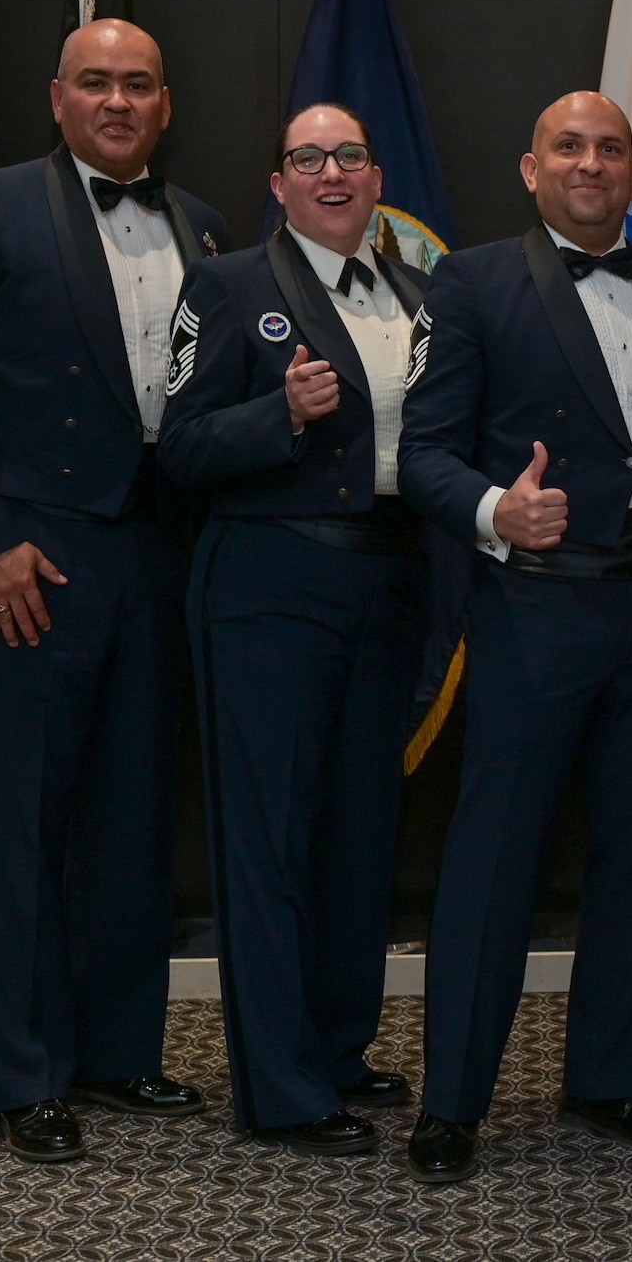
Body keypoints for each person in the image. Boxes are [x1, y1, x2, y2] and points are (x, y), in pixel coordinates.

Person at [396, 91, 632, 1182]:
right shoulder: (475, 280)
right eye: (569, 147)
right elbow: (429, 451)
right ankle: (451, 1104)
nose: (590, 163)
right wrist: (497, 511)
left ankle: (614, 1079)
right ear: (530, 169)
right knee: (493, 862)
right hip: (532, 605)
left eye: (610, 149)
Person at [0, 19, 229, 1164]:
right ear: (57, 96)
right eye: (96, 82)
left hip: (157, 556)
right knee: (24, 820)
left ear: (165, 105)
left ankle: (118, 1052)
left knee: (132, 818)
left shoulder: (203, 227)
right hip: (32, 560)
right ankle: (21, 1069)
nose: (118, 100)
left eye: (137, 84)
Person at [158, 103, 430, 1155]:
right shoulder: (226, 286)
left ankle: (337, 1046)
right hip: (269, 581)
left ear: (374, 177)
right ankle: (279, 1087)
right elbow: (179, 447)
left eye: (350, 156)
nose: (331, 171)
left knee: (360, 832)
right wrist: (281, 415)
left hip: (387, 581)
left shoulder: (416, 291)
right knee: (268, 838)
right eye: (308, 157)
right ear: (277, 182)